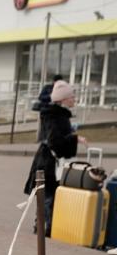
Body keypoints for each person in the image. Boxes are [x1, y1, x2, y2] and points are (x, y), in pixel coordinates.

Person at [25, 80, 87, 234]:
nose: (74, 99)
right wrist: (74, 138)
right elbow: (54, 140)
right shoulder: (54, 115)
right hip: (49, 161)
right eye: (72, 96)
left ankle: (43, 226)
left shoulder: (57, 114)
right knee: (49, 194)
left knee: (49, 194)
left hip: (49, 160)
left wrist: (72, 137)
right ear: (64, 99)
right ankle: (44, 227)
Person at [36, 74, 65, 142]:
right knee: (44, 128)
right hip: (46, 110)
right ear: (54, 81)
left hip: (55, 111)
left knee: (54, 127)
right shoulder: (47, 87)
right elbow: (40, 97)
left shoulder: (62, 89)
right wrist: (50, 96)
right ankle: (43, 142)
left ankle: (51, 141)